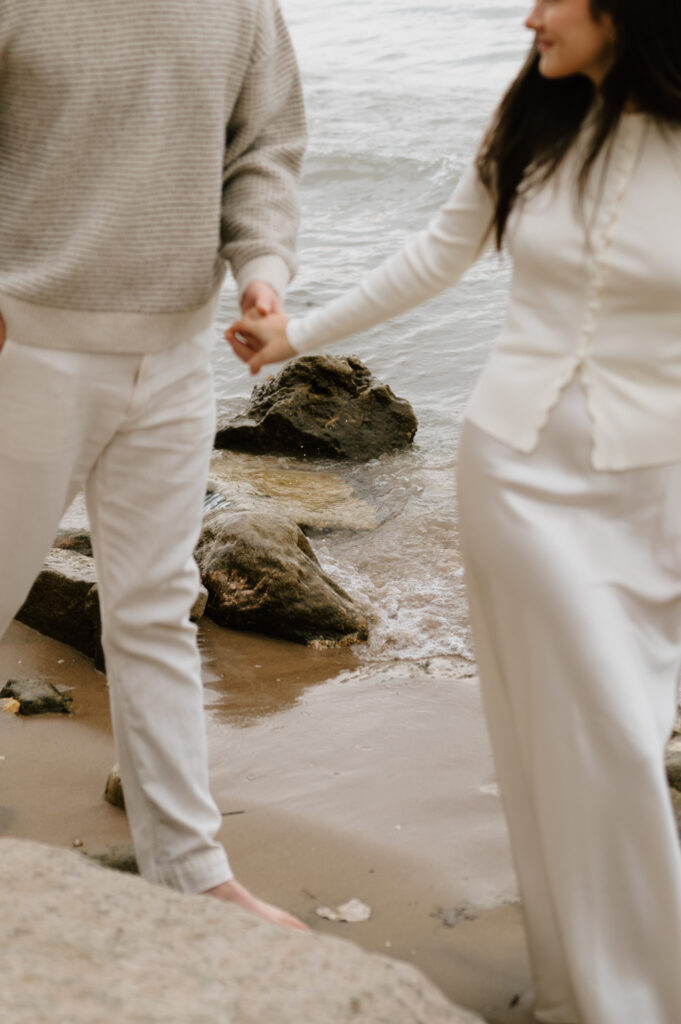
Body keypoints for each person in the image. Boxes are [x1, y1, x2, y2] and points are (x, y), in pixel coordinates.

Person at [227, 0, 681, 1016]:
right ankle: (623, 997)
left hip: (656, 489)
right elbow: (438, 253)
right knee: (572, 734)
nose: (530, 16)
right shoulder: (530, 125)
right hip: (519, 475)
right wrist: (297, 335)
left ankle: (598, 985)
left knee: (617, 734)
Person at [0, 1, 308, 930]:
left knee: (155, 610)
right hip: (23, 346)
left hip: (175, 355)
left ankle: (189, 870)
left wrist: (262, 268)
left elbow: (264, 147)